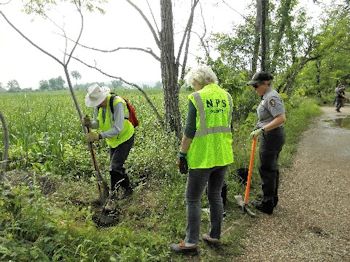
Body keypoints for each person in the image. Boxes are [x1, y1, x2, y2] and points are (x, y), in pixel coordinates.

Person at [170, 66, 234, 254]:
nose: (193, 88)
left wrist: (182, 154)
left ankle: (190, 242)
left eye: (193, 84)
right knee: (214, 195)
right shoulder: (227, 97)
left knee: (192, 198)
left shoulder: (197, 98)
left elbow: (189, 130)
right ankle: (214, 235)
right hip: (223, 154)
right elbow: (228, 125)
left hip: (202, 157)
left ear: (197, 81)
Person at [83, 84, 135, 203]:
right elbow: (98, 122)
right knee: (116, 168)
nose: (97, 104)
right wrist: (90, 124)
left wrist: (99, 136)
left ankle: (113, 196)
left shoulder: (117, 104)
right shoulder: (98, 107)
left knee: (114, 167)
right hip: (112, 140)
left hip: (125, 138)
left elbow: (117, 128)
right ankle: (128, 190)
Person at [248, 72, 286, 215]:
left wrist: (262, 130)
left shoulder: (272, 97)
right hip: (272, 135)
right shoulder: (266, 96)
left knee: (266, 168)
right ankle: (271, 199)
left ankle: (267, 204)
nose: (254, 88)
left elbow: (281, 118)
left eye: (256, 85)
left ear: (265, 83)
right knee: (272, 168)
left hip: (272, 136)